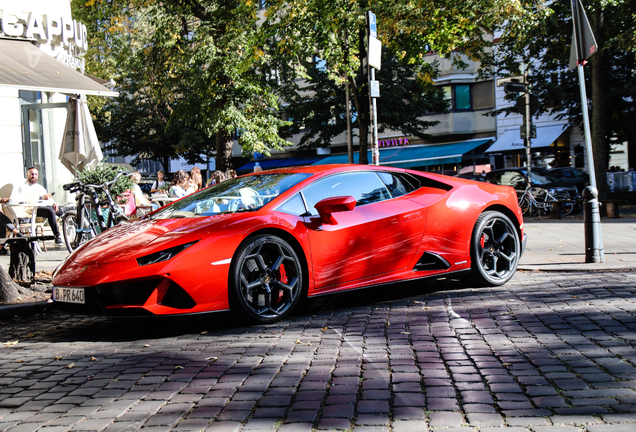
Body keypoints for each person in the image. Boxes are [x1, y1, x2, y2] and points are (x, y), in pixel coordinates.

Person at [17, 167, 63, 245]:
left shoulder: (39, 187)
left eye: (35, 174)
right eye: (31, 174)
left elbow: (48, 198)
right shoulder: (23, 187)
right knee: (51, 211)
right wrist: (41, 197)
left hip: (43, 207)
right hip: (30, 210)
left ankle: (60, 217)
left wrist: (54, 203)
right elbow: (25, 198)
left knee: (56, 209)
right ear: (27, 174)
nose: (33, 176)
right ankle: (58, 236)